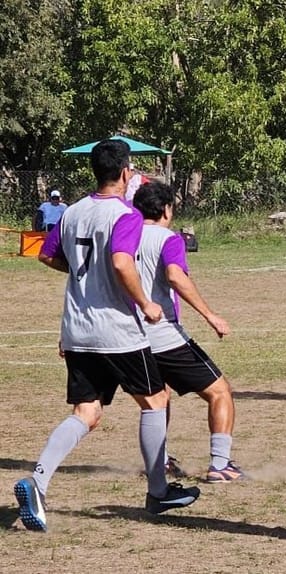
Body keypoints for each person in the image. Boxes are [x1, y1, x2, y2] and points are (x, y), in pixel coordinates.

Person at [17, 139, 199, 532]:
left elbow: (47, 255)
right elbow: (120, 262)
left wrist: (85, 277)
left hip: (76, 329)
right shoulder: (125, 214)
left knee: (87, 412)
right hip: (116, 330)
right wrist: (145, 303)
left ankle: (38, 481)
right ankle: (158, 491)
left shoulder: (72, 212)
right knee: (155, 400)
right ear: (126, 172)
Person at [132, 180, 244, 482]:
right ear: (167, 209)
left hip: (129, 337)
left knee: (158, 398)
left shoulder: (123, 238)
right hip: (162, 334)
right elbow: (175, 276)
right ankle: (220, 465)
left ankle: (160, 462)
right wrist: (210, 315)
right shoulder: (168, 239)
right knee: (220, 392)